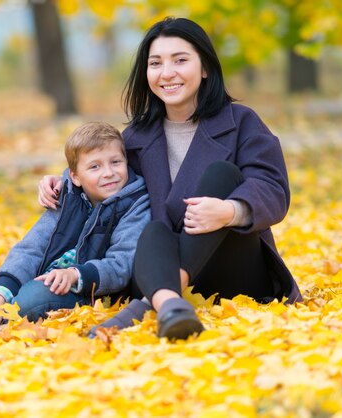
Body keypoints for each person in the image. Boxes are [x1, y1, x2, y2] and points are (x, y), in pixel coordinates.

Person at [38, 17, 302, 341]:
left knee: (223, 175)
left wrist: (229, 211)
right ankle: (170, 303)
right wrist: (65, 181)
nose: (167, 73)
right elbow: (108, 177)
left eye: (180, 60)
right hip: (157, 266)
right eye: (156, 63)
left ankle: (151, 305)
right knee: (153, 230)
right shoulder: (136, 137)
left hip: (232, 270)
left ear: (204, 67)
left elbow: (273, 187)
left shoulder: (241, 122)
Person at [0, 122, 151, 331]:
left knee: (34, 295)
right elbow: (32, 248)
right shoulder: (66, 197)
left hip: (79, 292)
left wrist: (74, 275)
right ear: (75, 177)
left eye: (115, 162)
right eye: (95, 166)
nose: (108, 173)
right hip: (31, 282)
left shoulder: (135, 204)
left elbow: (121, 263)